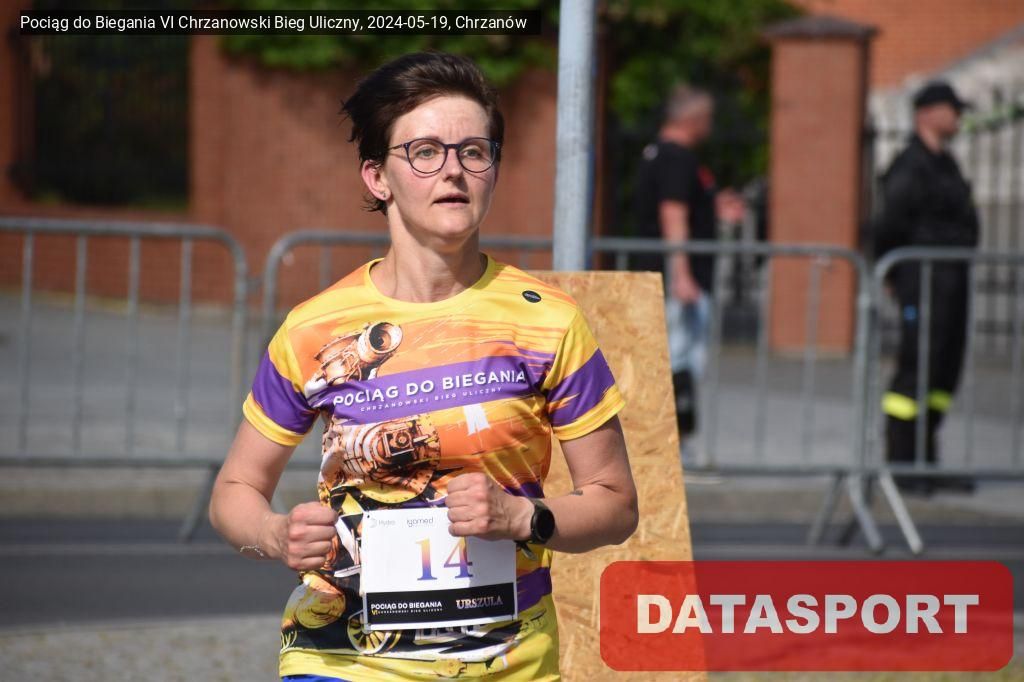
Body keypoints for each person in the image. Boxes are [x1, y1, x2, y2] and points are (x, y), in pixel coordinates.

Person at [208, 51, 638, 682]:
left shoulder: (549, 321)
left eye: (474, 151)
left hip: (506, 660)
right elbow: (234, 491)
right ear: (377, 177)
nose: (454, 170)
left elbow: (615, 503)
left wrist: (524, 517)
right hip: (344, 656)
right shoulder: (314, 329)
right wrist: (275, 534)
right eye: (426, 152)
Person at [872, 80, 980, 494]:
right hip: (922, 278)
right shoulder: (909, 166)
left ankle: (926, 458)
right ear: (927, 114)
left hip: (953, 278)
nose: (958, 117)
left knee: (944, 370)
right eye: (952, 109)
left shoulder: (945, 164)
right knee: (918, 366)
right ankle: (902, 463)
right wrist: (893, 274)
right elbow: (889, 225)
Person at [631, 85, 744, 442]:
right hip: (677, 280)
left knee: (672, 360)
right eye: (708, 117)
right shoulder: (677, 158)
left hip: (664, 275)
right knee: (679, 362)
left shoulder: (657, 153)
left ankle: (669, 446)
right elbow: (672, 213)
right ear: (693, 119)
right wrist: (681, 274)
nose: (710, 125)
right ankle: (670, 449)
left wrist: (712, 206)